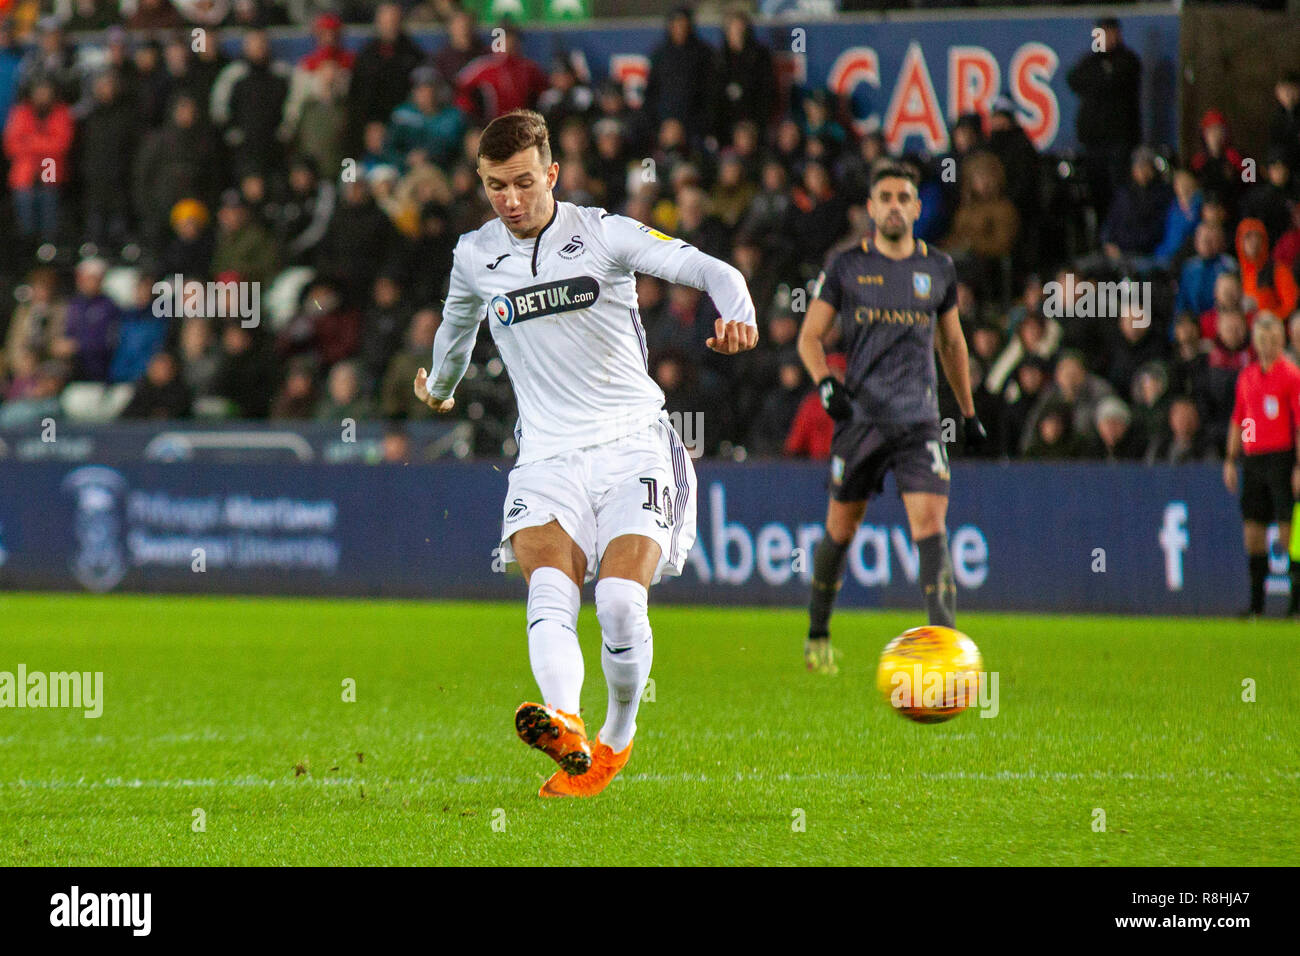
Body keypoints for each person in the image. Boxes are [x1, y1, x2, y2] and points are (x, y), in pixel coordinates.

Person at [412, 110, 757, 797]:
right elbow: (457, 330)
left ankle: (615, 740)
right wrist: (440, 389)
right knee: (550, 585)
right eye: (494, 187)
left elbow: (705, 266)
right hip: (545, 456)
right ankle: (564, 721)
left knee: (624, 605)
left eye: (522, 183)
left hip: (633, 444)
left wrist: (738, 310)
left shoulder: (603, 233)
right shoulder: (475, 255)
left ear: (553, 175)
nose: (509, 200)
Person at [795, 161, 984, 675]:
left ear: (917, 208)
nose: (895, 205)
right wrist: (826, 382)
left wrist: (966, 412)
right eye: (886, 197)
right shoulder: (845, 267)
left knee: (930, 525)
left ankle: (944, 648)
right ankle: (817, 634)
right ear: (872, 208)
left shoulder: (938, 268)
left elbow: (952, 342)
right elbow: (809, 337)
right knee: (840, 529)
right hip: (860, 421)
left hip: (920, 420)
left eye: (904, 196)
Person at [1224, 314, 1300, 618]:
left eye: (1271, 339)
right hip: (1253, 458)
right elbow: (1239, 419)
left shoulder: (1292, 376)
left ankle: (1296, 603)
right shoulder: (1247, 376)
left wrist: (1298, 466)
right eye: (1261, 339)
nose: (1266, 345)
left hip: (1282, 457)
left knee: (1288, 530)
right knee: (1253, 530)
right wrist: (1231, 459)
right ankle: (1256, 604)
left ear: (1281, 341)